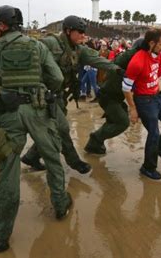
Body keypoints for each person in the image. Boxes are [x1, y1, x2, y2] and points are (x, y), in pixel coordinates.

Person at [0, 5, 71, 252]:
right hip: (38, 110)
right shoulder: (38, 45)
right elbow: (57, 78)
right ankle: (60, 204)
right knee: (53, 158)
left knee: (8, 171)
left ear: (1, 25)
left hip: (9, 113)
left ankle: (1, 234)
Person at [20, 15, 120, 174]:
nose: (83, 35)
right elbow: (30, 63)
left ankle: (31, 156)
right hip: (42, 95)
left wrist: (117, 69)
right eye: (79, 31)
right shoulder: (50, 44)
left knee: (53, 129)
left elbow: (96, 60)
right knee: (62, 128)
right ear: (67, 31)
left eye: (84, 32)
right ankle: (74, 161)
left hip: (58, 96)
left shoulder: (78, 49)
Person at [122, 29, 161, 180]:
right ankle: (148, 168)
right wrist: (133, 109)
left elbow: (159, 73)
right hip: (143, 101)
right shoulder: (137, 61)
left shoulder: (160, 56)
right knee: (154, 133)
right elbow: (126, 88)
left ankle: (160, 148)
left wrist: (157, 83)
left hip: (156, 97)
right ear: (151, 43)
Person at [84, 38, 144, 154]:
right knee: (122, 122)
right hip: (108, 97)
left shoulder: (129, 58)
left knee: (115, 119)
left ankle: (96, 142)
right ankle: (95, 139)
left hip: (114, 96)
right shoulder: (128, 57)